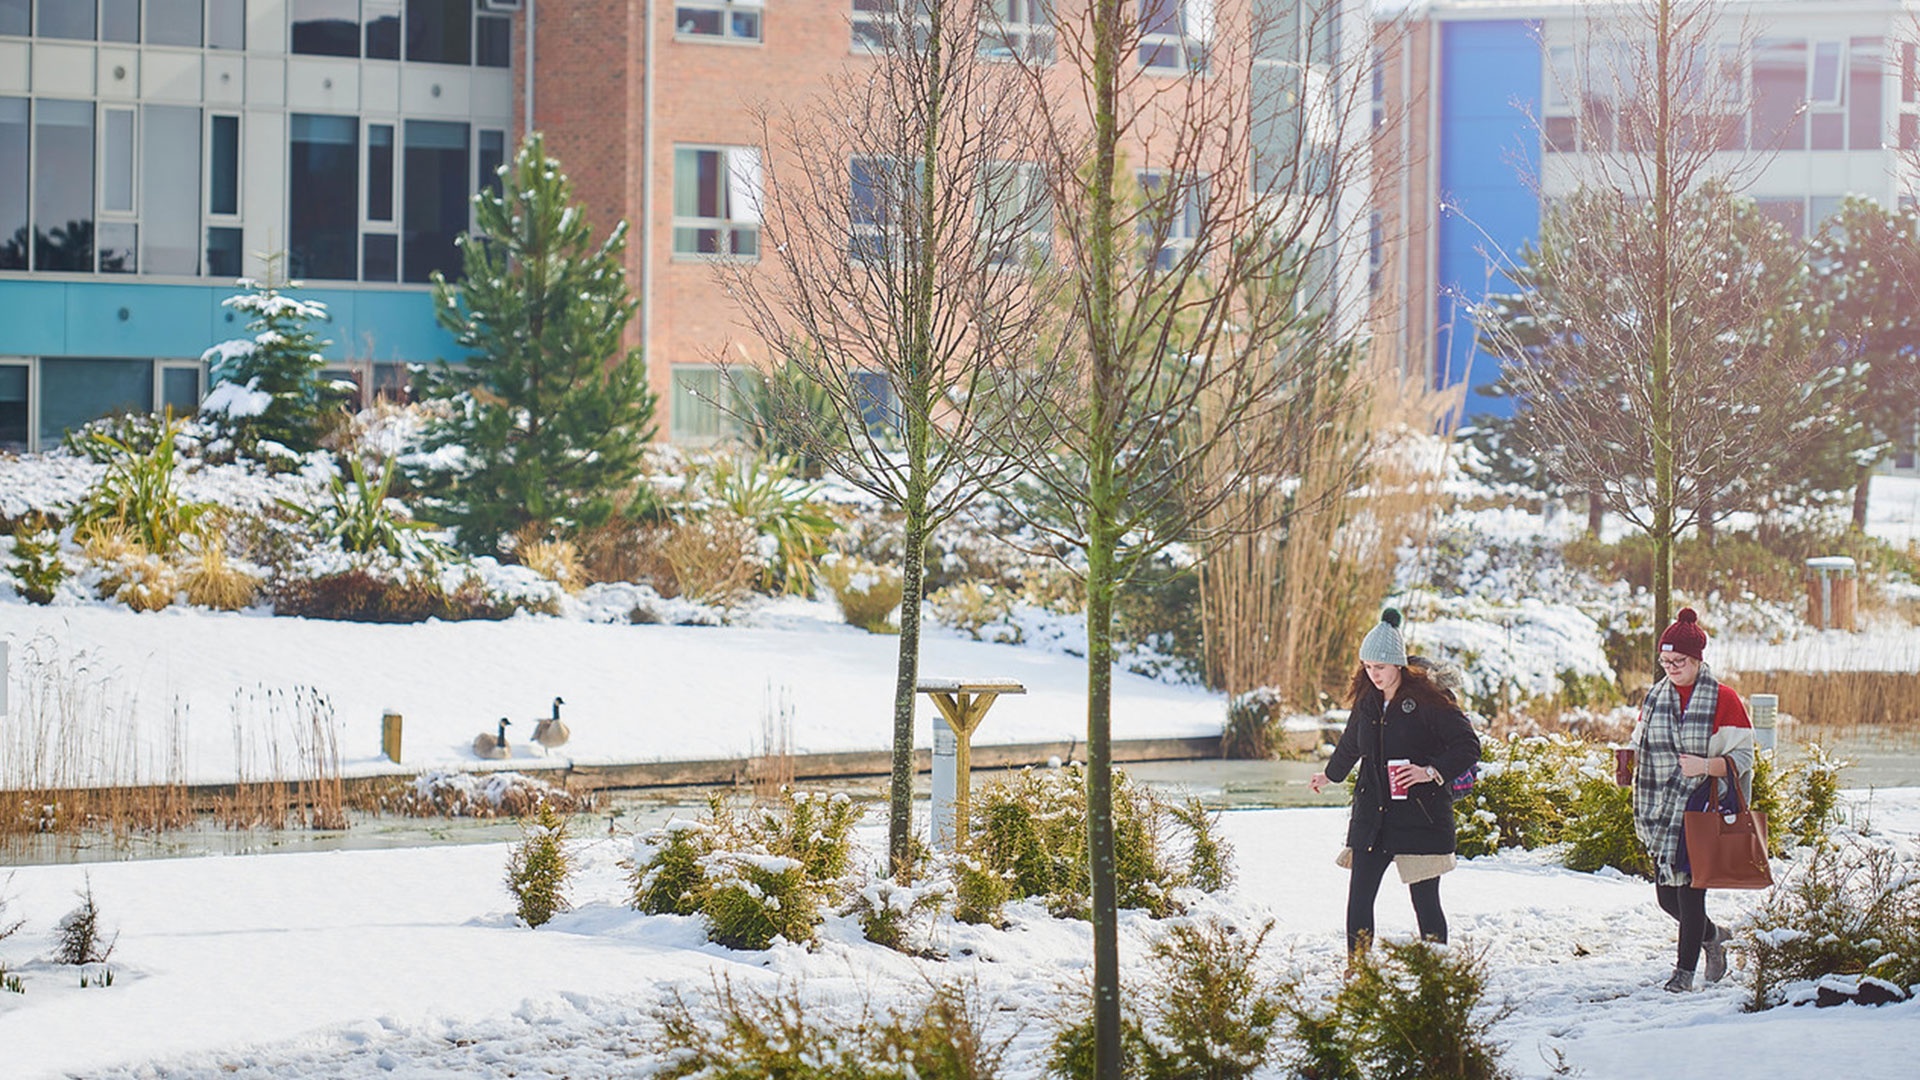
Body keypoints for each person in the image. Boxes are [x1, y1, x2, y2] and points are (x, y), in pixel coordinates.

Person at [1310, 609, 1482, 955]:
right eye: (1368, 667)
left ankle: (1437, 973)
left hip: (1421, 815)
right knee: (1359, 898)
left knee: (1425, 903)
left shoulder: (1428, 700)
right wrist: (1329, 775)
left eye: (1381, 668)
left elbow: (1468, 746)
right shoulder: (1367, 700)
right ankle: (1358, 971)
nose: (1374, 675)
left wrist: (1429, 771)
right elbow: (1351, 744)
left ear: (1398, 665)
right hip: (1373, 815)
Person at [1619, 606, 1754, 993]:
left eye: (1678, 661)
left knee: (1691, 893)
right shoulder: (1656, 697)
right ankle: (1715, 936)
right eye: (1665, 661)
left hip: (1700, 808)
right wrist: (1630, 760)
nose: (1671, 668)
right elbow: (1639, 739)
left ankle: (1683, 974)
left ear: (1697, 659)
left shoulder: (1724, 700)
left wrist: (1706, 766)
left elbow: (1744, 757)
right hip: (1661, 809)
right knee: (1667, 899)